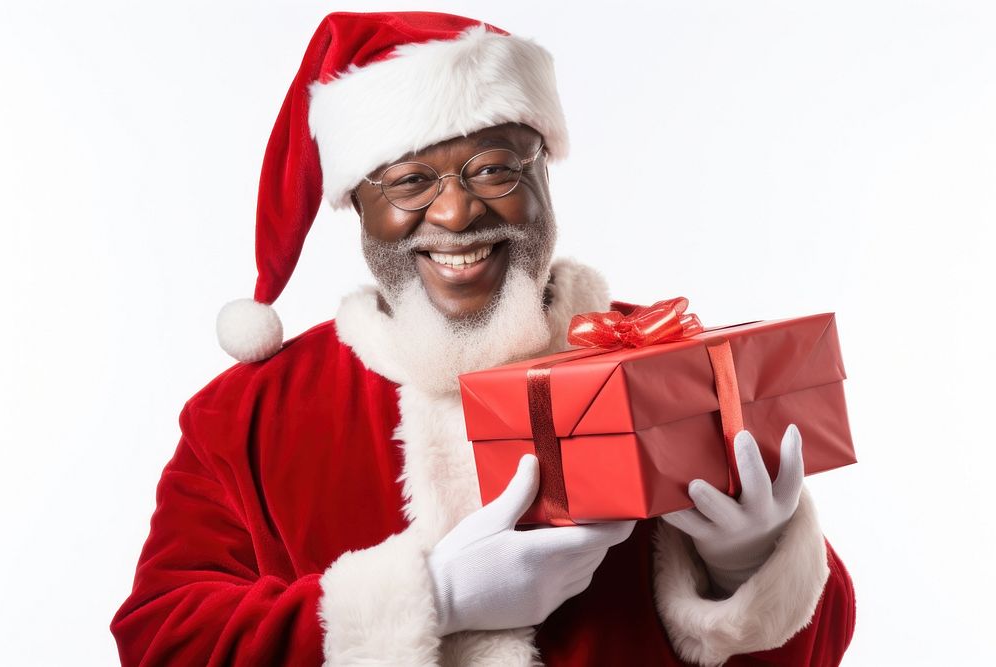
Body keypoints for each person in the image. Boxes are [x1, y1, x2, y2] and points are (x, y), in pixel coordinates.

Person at [111, 10, 855, 666]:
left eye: (494, 167)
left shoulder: (662, 365)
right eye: (409, 182)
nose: (458, 211)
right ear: (361, 206)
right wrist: (429, 596)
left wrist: (749, 567)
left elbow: (823, 648)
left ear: (544, 178)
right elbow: (160, 639)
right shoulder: (246, 416)